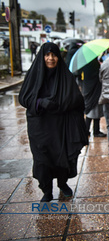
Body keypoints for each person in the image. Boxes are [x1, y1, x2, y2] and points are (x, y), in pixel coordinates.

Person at [18, 42, 88, 202]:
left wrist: (62, 102)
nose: (51, 58)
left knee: (62, 158)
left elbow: (77, 100)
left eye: (54, 55)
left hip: (61, 128)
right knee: (42, 161)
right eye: (47, 55)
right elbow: (24, 97)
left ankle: (63, 184)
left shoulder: (66, 76)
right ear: (42, 56)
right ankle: (46, 191)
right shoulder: (34, 75)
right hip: (40, 129)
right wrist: (40, 102)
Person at [81, 58, 106, 138]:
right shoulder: (93, 64)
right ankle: (93, 131)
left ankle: (89, 130)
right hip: (94, 92)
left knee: (91, 112)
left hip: (88, 90)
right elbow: (98, 76)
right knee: (93, 112)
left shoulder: (85, 64)